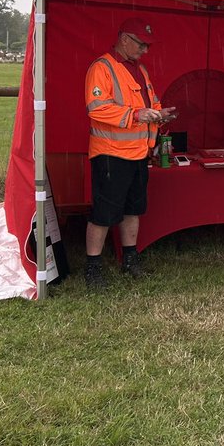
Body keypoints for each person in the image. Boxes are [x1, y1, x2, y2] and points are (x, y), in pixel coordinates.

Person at [83, 16, 176, 289]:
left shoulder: (140, 70)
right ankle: (93, 268)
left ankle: (130, 259)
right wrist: (136, 114)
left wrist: (159, 114)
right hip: (111, 154)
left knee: (133, 209)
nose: (145, 50)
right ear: (124, 39)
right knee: (103, 213)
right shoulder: (102, 68)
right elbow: (97, 108)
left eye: (147, 45)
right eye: (141, 44)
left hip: (138, 153)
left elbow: (150, 102)